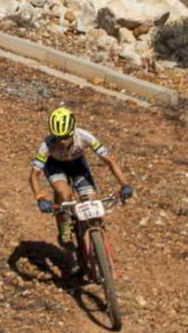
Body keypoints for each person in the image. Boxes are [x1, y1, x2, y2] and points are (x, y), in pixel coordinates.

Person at [28, 106, 134, 249]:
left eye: (65, 137)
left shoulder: (84, 136)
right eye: (58, 137)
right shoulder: (46, 144)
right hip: (55, 166)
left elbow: (110, 161)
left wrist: (124, 184)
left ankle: (100, 241)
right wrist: (39, 197)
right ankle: (64, 226)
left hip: (77, 165)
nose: (61, 141)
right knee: (64, 194)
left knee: (92, 200)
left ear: (73, 131)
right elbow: (34, 175)